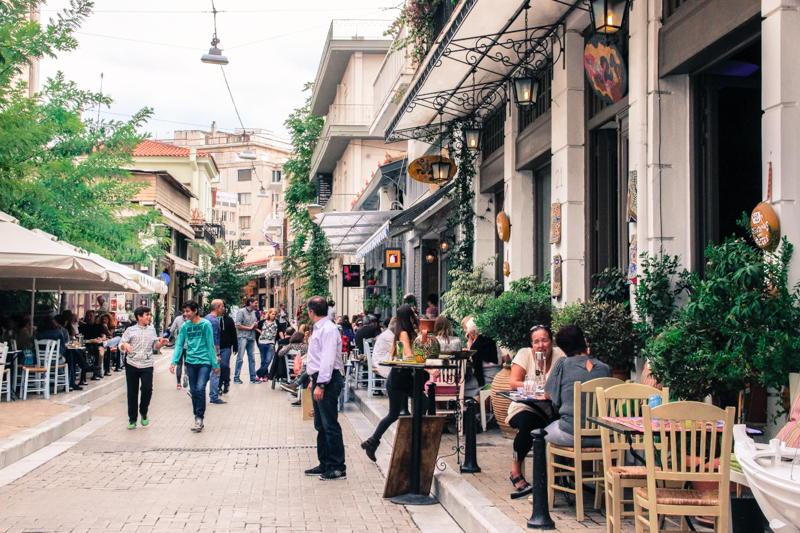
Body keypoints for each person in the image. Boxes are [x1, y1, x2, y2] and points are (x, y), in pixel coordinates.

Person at [360, 306, 438, 462]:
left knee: (422, 404)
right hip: (398, 378)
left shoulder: (406, 333)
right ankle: (374, 441)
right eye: (413, 314)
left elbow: (403, 355)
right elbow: (408, 356)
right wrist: (429, 370)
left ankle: (410, 437)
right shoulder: (403, 333)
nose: (415, 316)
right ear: (407, 317)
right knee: (395, 413)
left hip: (404, 377)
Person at [505, 325, 565, 498]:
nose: (541, 345)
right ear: (531, 344)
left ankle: (557, 473)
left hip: (552, 408)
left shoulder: (560, 356)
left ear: (551, 342)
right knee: (531, 425)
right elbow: (514, 383)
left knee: (561, 423)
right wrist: (537, 387)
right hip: (524, 406)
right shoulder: (525, 354)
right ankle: (515, 470)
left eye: (545, 340)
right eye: (536, 342)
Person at [543, 324, 612, 447]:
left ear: (563, 350)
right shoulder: (605, 368)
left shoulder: (562, 365)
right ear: (585, 341)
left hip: (572, 434)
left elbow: (548, 395)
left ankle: (558, 467)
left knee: (541, 435)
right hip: (606, 436)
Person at [304, 296, 347, 481]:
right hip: (319, 378)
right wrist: (313, 379)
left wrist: (321, 384)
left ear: (311, 311)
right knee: (320, 425)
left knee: (330, 424)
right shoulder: (319, 328)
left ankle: (337, 466)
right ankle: (325, 462)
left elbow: (328, 359)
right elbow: (318, 357)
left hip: (328, 380)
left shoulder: (328, 330)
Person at [170, 301, 219, 433]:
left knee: (200, 388)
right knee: (194, 390)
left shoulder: (206, 324)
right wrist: (174, 362)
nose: (185, 314)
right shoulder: (185, 326)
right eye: (184, 312)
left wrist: (214, 364)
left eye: (187, 311)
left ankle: (199, 417)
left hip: (204, 362)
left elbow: (210, 344)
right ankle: (197, 417)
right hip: (190, 362)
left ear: (195, 310)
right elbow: (179, 344)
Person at [120, 306, 168, 429]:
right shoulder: (130, 330)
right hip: (132, 363)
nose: (149, 317)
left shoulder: (151, 330)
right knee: (132, 392)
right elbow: (121, 343)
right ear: (139, 317)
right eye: (147, 315)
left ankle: (143, 411)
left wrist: (161, 344)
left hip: (147, 364)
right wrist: (125, 346)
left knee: (147, 389)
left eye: (150, 315)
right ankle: (132, 419)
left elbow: (155, 346)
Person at [463, 317, 501, 398]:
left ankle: (471, 407)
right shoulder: (491, 340)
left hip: (487, 377)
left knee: (462, 388)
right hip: (498, 373)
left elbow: (472, 359)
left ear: (472, 332)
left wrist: (469, 341)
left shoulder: (478, 344)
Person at [204, 299, 226, 405]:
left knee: (207, 371)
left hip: (205, 349)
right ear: (217, 307)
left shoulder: (206, 318)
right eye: (222, 307)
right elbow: (214, 339)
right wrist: (217, 354)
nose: (224, 309)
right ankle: (213, 396)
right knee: (215, 372)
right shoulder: (214, 321)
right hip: (212, 351)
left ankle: (194, 390)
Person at [234, 297, 259, 384]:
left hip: (251, 337)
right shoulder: (241, 312)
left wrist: (255, 325)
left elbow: (253, 324)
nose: (256, 304)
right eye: (255, 303)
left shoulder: (253, 313)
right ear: (250, 303)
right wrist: (249, 328)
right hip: (242, 337)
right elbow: (238, 325)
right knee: (240, 358)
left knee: (252, 358)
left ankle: (253, 377)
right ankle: (236, 377)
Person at [278, 332, 310, 396]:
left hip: (294, 368)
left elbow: (280, 353)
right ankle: (301, 395)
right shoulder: (307, 347)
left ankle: (295, 387)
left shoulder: (290, 345)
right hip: (303, 367)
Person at [255, 308, 278, 382]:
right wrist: (260, 332)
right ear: (269, 313)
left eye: (275, 314)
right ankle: (265, 375)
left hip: (271, 342)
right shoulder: (263, 322)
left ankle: (258, 374)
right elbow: (256, 327)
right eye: (272, 314)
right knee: (263, 360)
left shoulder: (276, 322)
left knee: (268, 360)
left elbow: (280, 331)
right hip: (262, 342)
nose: (273, 316)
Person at [218, 308, 237, 395]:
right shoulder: (212, 319)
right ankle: (219, 385)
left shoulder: (229, 320)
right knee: (217, 367)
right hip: (215, 347)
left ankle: (226, 381)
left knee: (224, 365)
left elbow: (233, 333)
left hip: (226, 346)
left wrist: (235, 347)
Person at [168, 311, 188, 389]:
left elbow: (172, 330)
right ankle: (186, 375)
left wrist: (174, 337)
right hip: (188, 345)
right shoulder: (191, 320)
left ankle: (179, 383)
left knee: (179, 364)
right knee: (187, 363)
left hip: (179, 344)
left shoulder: (178, 319)